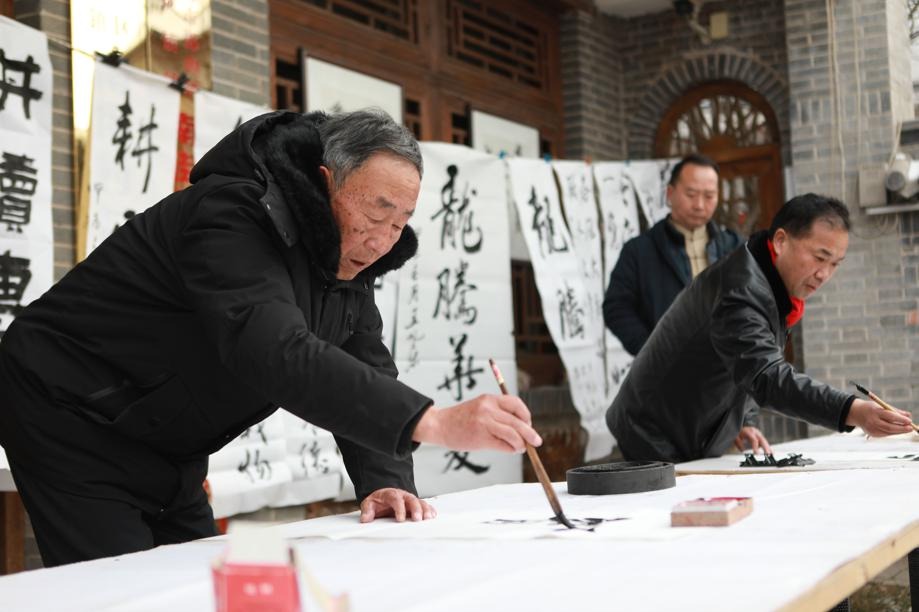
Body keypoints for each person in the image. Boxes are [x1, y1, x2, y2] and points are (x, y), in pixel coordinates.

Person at [0, 109, 541, 566]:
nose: (382, 241)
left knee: (194, 583)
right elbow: (269, 345)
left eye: (401, 223)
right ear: (327, 182)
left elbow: (367, 363)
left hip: (161, 437)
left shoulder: (345, 264)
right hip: (71, 411)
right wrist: (436, 421)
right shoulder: (234, 213)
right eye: (377, 212)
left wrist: (384, 479)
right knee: (121, 589)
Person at [606, 194, 914, 463]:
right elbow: (766, 375)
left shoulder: (769, 283)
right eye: (820, 257)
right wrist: (853, 411)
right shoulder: (739, 290)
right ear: (781, 241)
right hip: (651, 432)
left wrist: (743, 420)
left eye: (835, 264)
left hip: (688, 429)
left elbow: (744, 363)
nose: (824, 274)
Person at [603, 154, 742, 356]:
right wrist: (651, 351)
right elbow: (616, 307)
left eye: (709, 196)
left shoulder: (735, 247)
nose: (700, 205)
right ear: (670, 194)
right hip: (666, 374)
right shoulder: (640, 251)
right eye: (691, 194)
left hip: (727, 369)